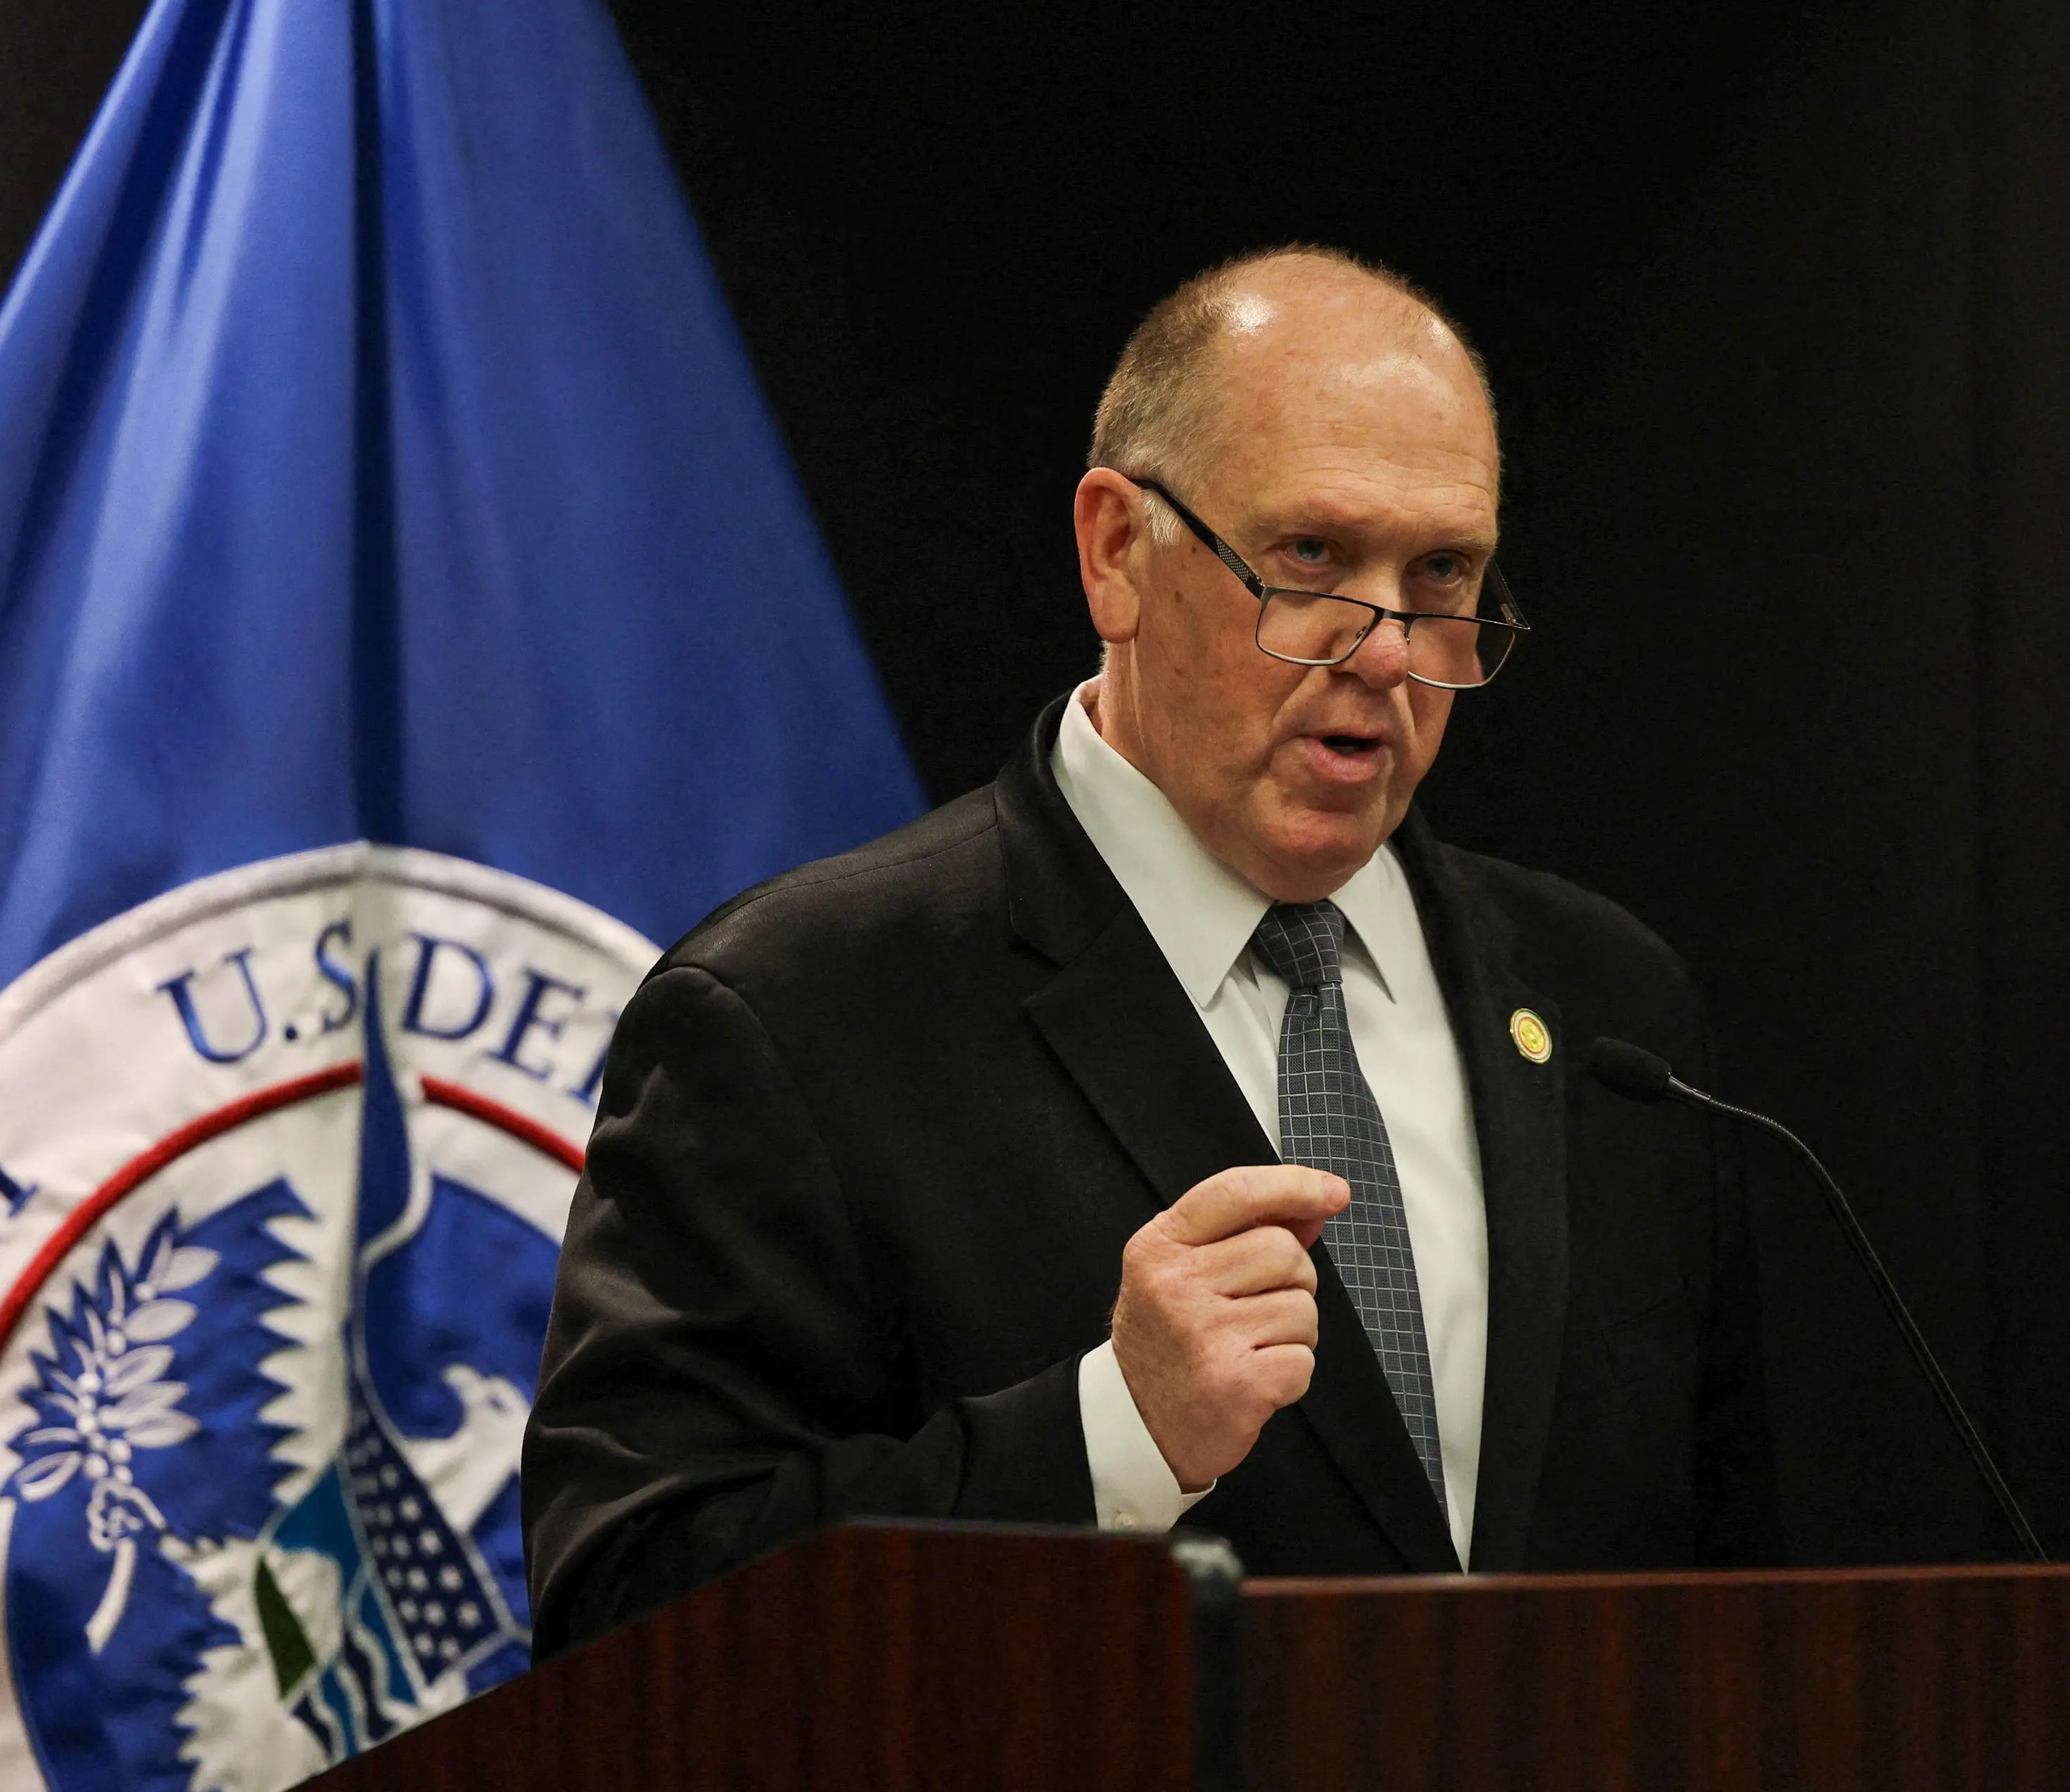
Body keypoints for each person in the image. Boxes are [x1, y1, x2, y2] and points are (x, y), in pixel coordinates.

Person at [521, 246, 1781, 1653]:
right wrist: (1114, 1433)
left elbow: (1732, 1607)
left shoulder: (1610, 1011)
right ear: (1118, 551)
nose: (1386, 652)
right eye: (1310, 558)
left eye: (1441, 575)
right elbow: (629, 1606)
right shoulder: (798, 1011)